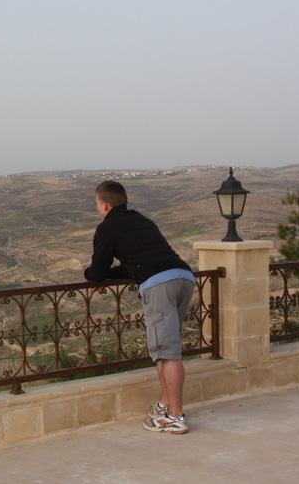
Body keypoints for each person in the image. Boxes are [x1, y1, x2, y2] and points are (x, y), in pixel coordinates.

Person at [84, 180, 195, 434]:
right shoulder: (142, 221)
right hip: (183, 277)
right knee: (164, 347)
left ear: (105, 205)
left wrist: (90, 276)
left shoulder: (107, 227)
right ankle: (164, 405)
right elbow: (133, 263)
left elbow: (97, 271)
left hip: (159, 284)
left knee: (168, 351)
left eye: (97, 204)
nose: (97, 209)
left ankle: (175, 417)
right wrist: (110, 274)